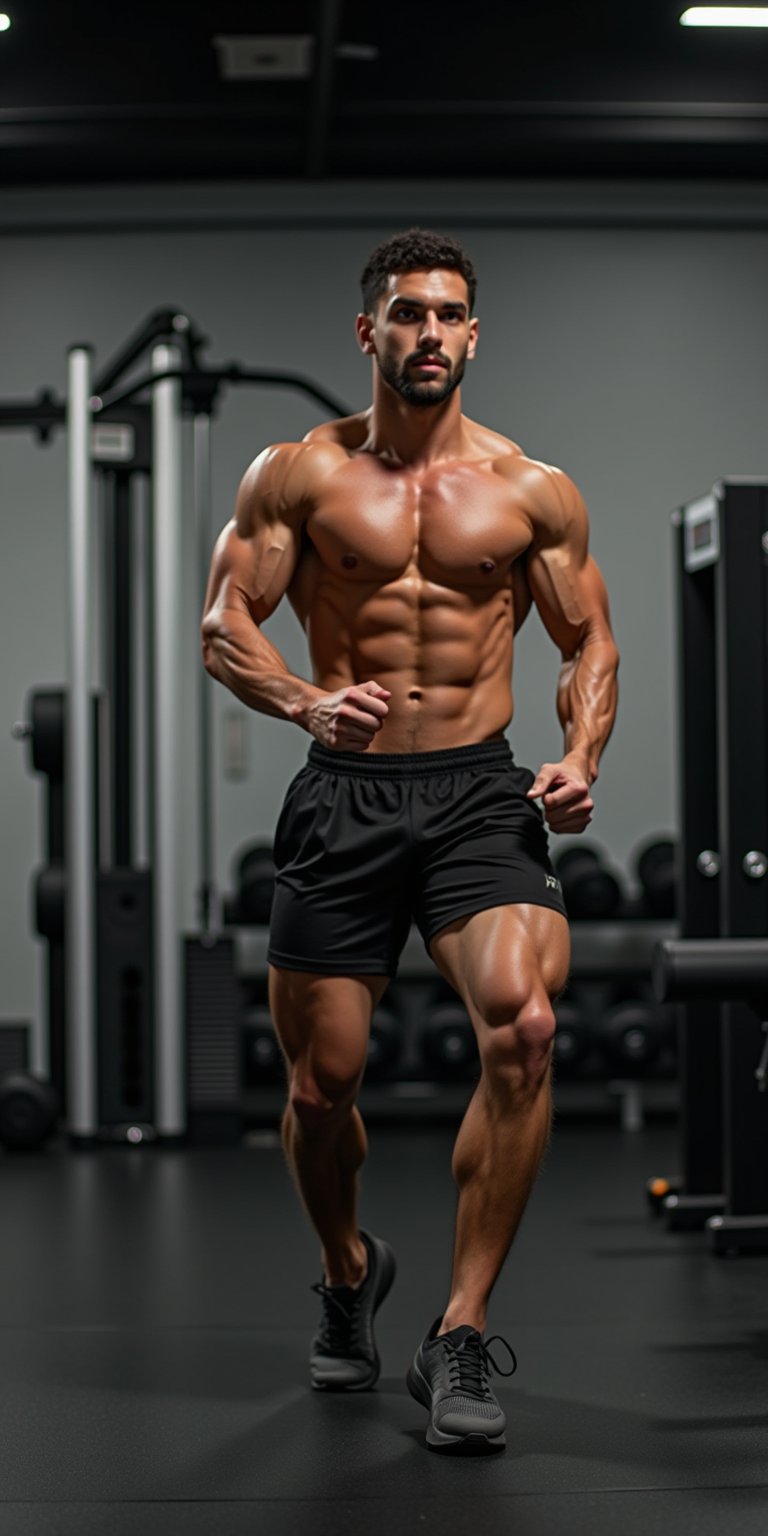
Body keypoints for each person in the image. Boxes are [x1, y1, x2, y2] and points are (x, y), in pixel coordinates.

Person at [201, 228, 619, 1456]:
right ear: (367, 332)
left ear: (473, 336)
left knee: (528, 1025)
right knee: (321, 1086)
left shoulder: (533, 488)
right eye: (406, 314)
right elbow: (226, 621)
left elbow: (586, 641)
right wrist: (303, 701)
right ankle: (348, 1271)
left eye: (448, 316)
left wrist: (584, 756)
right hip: (344, 796)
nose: (428, 334)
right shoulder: (299, 476)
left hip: (479, 795)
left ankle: (461, 1325)